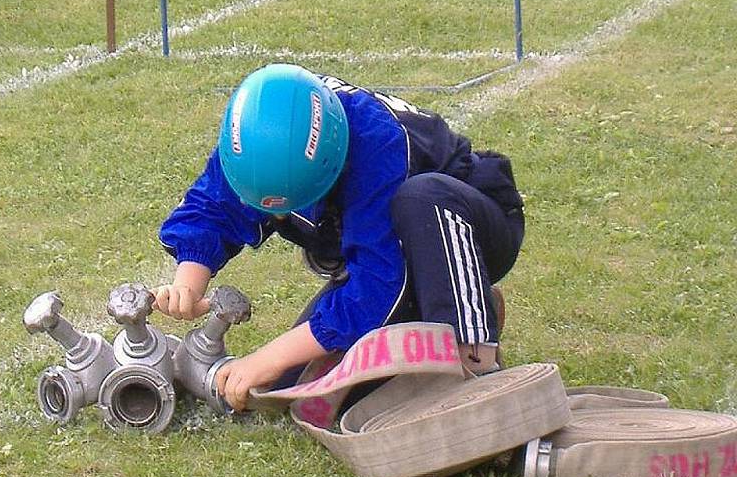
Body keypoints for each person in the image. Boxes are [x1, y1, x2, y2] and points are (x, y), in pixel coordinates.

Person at [153, 64, 524, 412]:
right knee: (294, 386)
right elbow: (214, 206)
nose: (281, 218)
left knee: (421, 197)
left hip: (468, 230)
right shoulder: (250, 134)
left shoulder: (375, 142)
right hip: (387, 256)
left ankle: (473, 353)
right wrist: (189, 283)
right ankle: (439, 312)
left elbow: (378, 288)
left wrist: (269, 355)